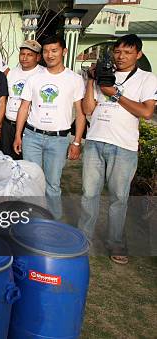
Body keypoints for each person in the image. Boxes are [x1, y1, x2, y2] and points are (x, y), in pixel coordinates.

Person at [79, 34, 157, 265]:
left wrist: (116, 93)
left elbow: (146, 112)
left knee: (119, 198)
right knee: (88, 195)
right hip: (94, 142)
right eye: (118, 51)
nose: (121, 56)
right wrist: (92, 81)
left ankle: (115, 242)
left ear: (138, 54)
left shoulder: (147, 79)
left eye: (127, 52)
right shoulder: (104, 74)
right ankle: (84, 239)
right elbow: (88, 109)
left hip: (123, 146)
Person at [13, 35, 86, 219]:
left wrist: (76, 142)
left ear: (64, 51)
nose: (49, 55)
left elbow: (80, 113)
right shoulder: (34, 78)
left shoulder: (75, 79)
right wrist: (18, 135)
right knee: (31, 182)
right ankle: (31, 221)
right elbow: (24, 108)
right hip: (32, 137)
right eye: (46, 51)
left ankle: (53, 223)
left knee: (53, 185)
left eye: (54, 50)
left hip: (59, 140)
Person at [3, 40, 44, 159]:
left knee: (25, 162)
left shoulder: (42, 74)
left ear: (38, 57)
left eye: (29, 55)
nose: (24, 58)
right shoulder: (12, 73)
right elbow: (6, 98)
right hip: (8, 125)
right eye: (22, 54)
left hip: (28, 127)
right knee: (7, 160)